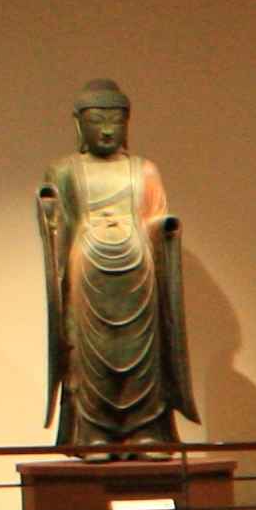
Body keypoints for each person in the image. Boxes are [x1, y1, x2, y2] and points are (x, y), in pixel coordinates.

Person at [34, 79, 194, 459]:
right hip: (88, 269)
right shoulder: (65, 170)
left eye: (115, 121)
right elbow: (61, 222)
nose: (106, 130)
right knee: (88, 353)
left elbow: (154, 216)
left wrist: (164, 229)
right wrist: (48, 210)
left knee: (144, 354)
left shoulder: (145, 171)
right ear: (79, 126)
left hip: (139, 271)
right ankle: (93, 433)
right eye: (96, 121)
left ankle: (146, 430)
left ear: (127, 124)